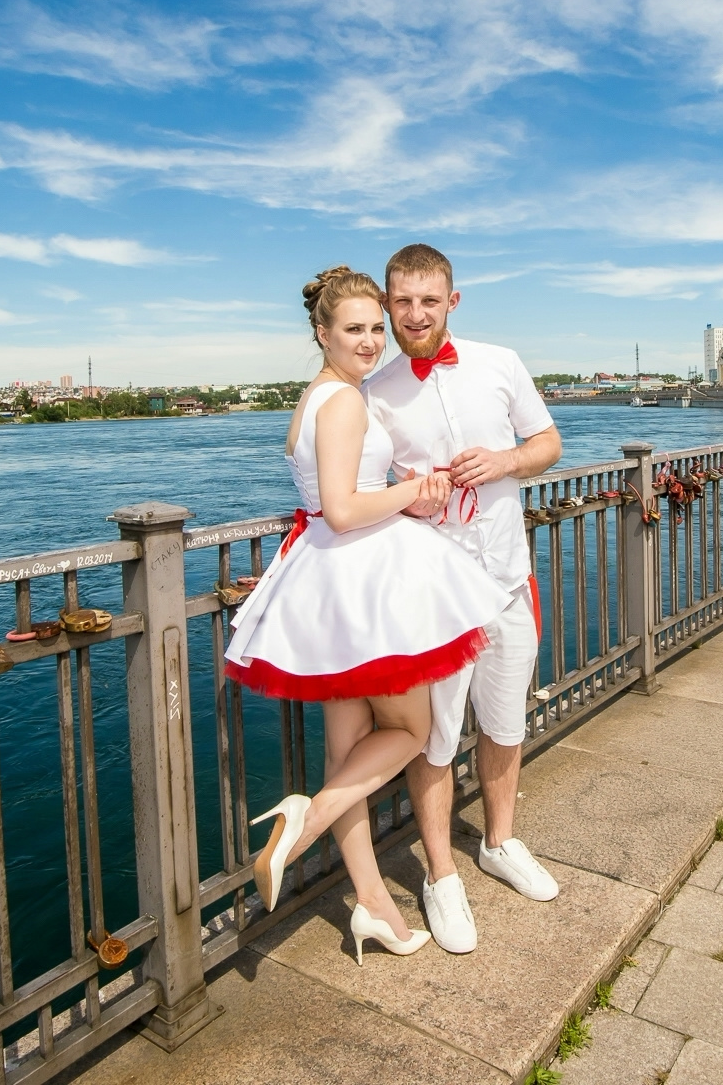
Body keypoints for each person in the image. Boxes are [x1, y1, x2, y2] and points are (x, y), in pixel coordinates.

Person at [224, 266, 507, 965]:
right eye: (354, 329)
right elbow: (346, 507)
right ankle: (303, 823)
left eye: (376, 328)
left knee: (348, 753)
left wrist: (398, 490)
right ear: (320, 332)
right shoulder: (347, 403)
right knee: (412, 729)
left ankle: (373, 906)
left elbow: (330, 502)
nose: (371, 341)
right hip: (366, 575)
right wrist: (411, 491)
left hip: (325, 577)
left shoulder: (314, 398)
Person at [366, 243, 564, 956]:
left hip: (508, 581)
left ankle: (500, 844)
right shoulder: (375, 391)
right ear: (388, 306)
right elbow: (356, 496)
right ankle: (441, 875)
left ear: (453, 301)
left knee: (506, 721)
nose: (415, 314)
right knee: (434, 736)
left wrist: (506, 460)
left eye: (428, 300)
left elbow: (548, 442)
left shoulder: (500, 362)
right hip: (434, 595)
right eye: (402, 301)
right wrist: (406, 501)